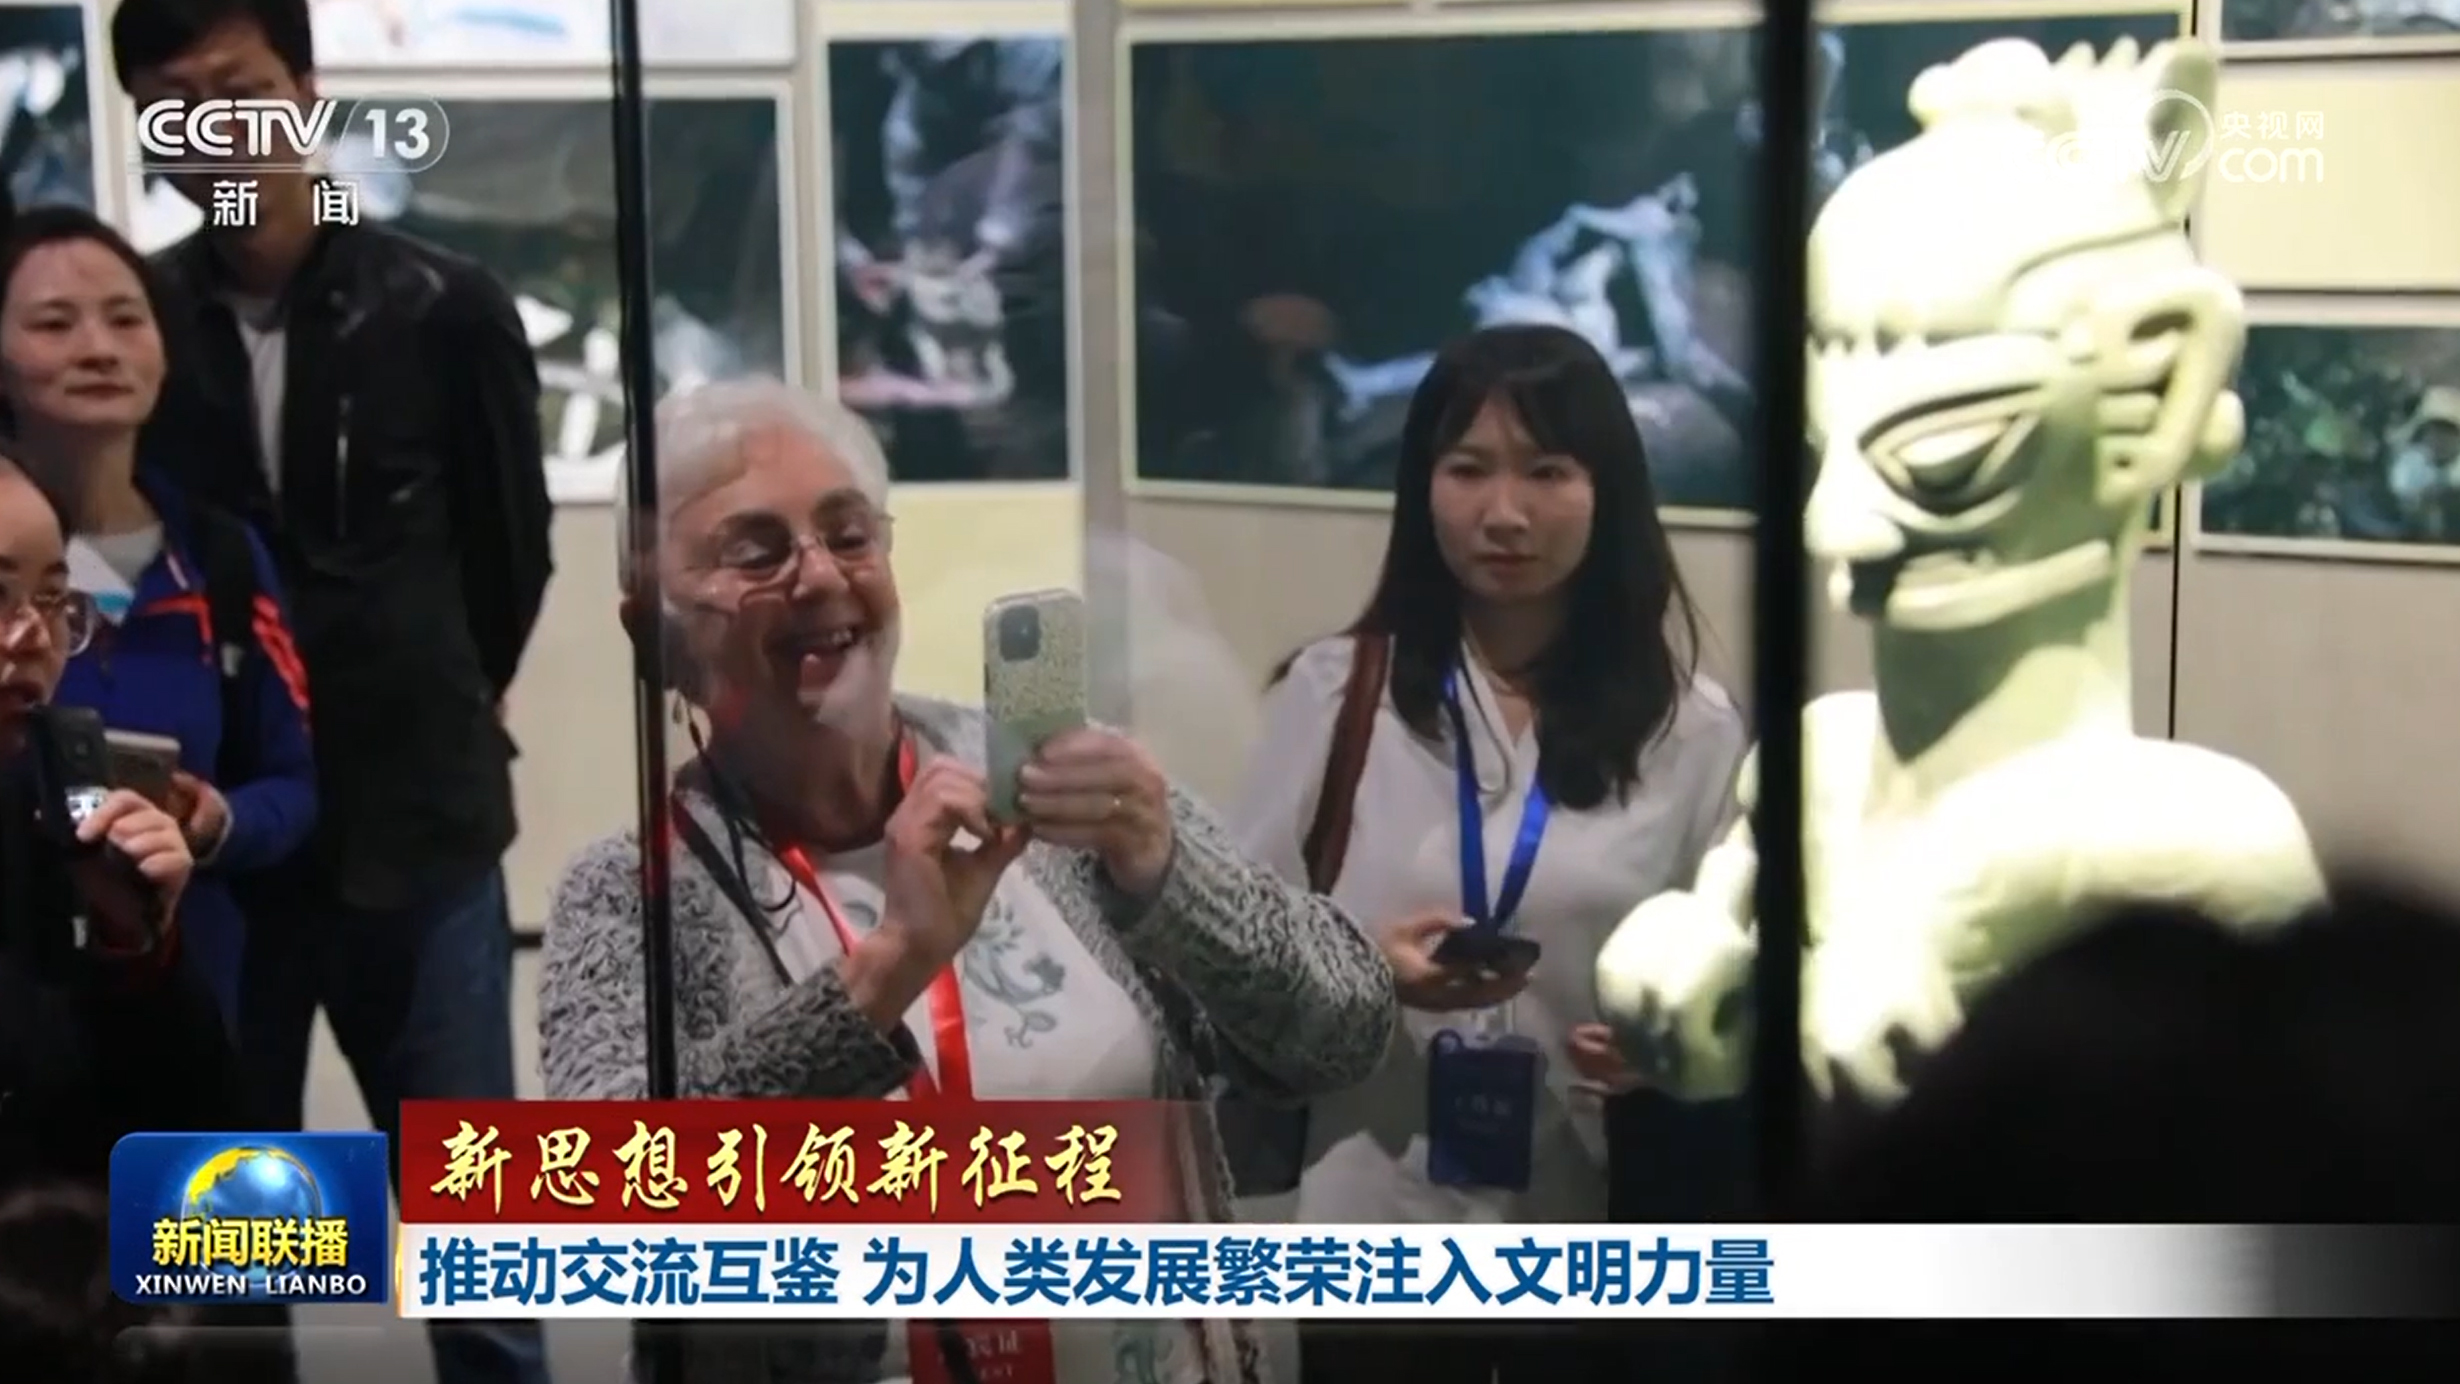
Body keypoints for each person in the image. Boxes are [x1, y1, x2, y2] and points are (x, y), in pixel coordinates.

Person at [539, 378, 1399, 1384]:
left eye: (849, 534)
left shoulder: (1054, 787)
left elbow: (1343, 1031)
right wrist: (885, 973)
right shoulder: (632, 891)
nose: (820, 575)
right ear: (652, 632)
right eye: (756, 551)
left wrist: (1172, 876)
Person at [110, 2, 551, 1380]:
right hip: (224, 849)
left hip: (420, 838)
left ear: (305, 88)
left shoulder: (444, 306)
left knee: (478, 1239)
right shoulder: (142, 321)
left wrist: (442, 699)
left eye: (239, 88)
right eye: (175, 103)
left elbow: (511, 557)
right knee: (232, 1242)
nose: (215, 130)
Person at [1228, 324, 1749, 1384]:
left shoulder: (1692, 732)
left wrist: (1671, 1052)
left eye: (1546, 472)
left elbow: (1730, 995)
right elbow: (1237, 959)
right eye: (1467, 469)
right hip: (1369, 1248)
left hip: (1591, 1251)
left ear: (1607, 491)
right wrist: (1365, 970)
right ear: (1422, 487)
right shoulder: (1338, 695)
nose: (1503, 513)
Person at [0, 206, 316, 1032]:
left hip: (186, 998)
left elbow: (294, 781)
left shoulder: (220, 557)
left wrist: (215, 823)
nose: (98, 348)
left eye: (125, 318)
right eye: (54, 323)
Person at [0, 456, 241, 1191]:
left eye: (52, 598)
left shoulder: (58, 823)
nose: (32, 636)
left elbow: (199, 1161)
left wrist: (138, 950)